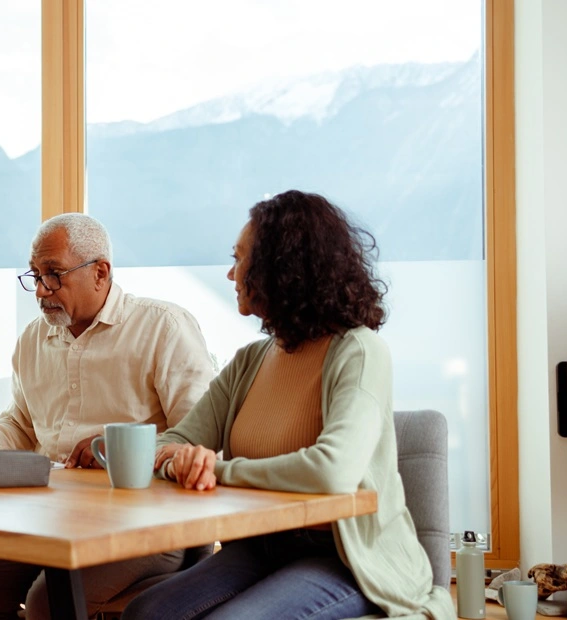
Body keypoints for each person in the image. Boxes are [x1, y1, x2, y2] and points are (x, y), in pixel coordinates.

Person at [123, 190, 455, 620]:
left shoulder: (359, 351)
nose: (230, 273)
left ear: (282, 269)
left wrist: (218, 470)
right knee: (145, 614)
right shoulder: (250, 361)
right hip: (260, 548)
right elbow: (175, 441)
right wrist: (180, 462)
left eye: (239, 259)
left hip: (347, 560)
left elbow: (331, 471)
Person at [0, 213, 216, 620]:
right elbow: (21, 423)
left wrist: (116, 448)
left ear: (100, 272)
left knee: (48, 603)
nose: (41, 290)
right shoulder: (34, 338)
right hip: (51, 515)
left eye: (54, 275)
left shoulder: (163, 327)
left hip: (149, 522)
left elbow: (202, 438)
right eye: (35, 275)